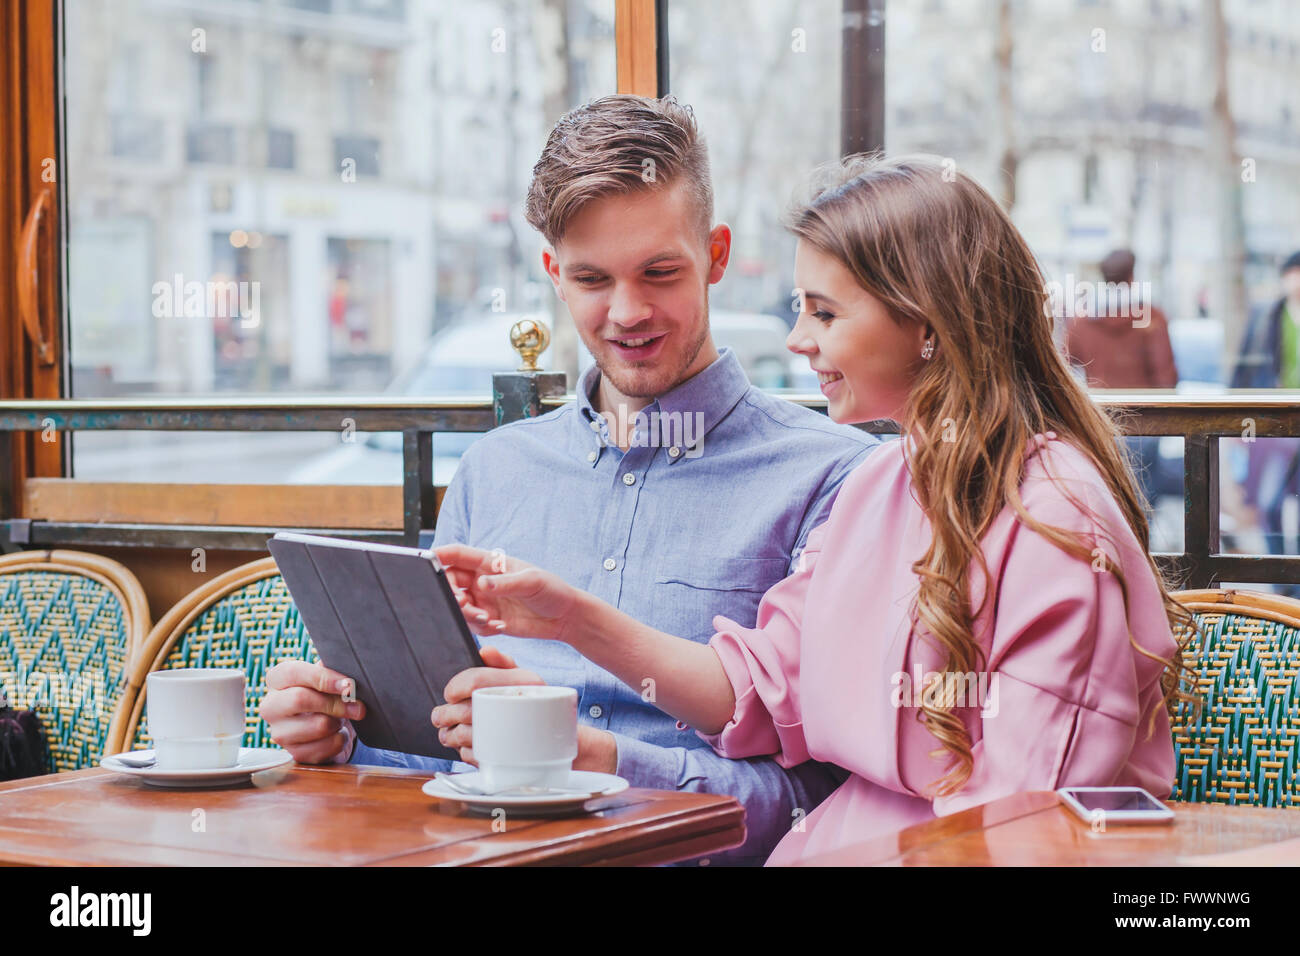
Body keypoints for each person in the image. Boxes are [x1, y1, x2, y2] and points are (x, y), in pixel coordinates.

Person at [437, 154, 1195, 865]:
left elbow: (1020, 827)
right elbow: (757, 689)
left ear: (926, 325)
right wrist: (572, 617)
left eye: (826, 314)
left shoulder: (1055, 522)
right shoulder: (882, 483)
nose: (798, 340)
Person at [259, 95, 878, 865]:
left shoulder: (833, 478)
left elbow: (821, 805)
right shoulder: (494, 470)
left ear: (716, 257)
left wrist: (606, 765)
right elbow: (434, 759)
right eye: (591, 278)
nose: (628, 311)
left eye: (660, 272)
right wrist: (342, 740)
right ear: (553, 273)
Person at [1063, 248, 1178, 512]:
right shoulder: (1151, 318)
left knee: (1109, 496)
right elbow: (1166, 376)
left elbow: (1064, 365)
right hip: (1145, 422)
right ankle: (1145, 549)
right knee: (1143, 496)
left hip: (1102, 421)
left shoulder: (1083, 321)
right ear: (1132, 275)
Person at [1230, 251, 1300, 575]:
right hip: (1273, 427)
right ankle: (1280, 578)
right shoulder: (1266, 316)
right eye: (1292, 273)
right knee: (1269, 503)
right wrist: (1236, 424)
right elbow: (1243, 370)